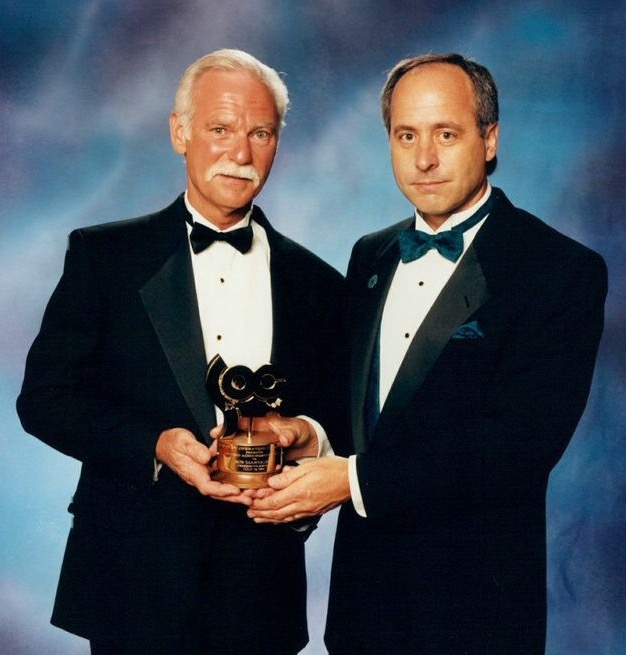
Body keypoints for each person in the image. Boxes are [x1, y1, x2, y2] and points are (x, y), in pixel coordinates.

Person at [246, 53, 608, 654]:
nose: (424, 159)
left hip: (474, 617)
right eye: (406, 135)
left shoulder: (559, 270)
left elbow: (519, 446)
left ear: (489, 139)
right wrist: (311, 436)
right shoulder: (371, 254)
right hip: (362, 613)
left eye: (446, 134)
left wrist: (351, 480)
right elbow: (369, 412)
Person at [16, 49, 344, 655]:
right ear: (180, 132)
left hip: (261, 588)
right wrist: (155, 444)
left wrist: (308, 435)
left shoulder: (320, 284)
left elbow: (342, 421)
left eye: (260, 133)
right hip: (132, 580)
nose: (240, 153)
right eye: (220, 128)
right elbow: (44, 400)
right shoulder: (104, 258)